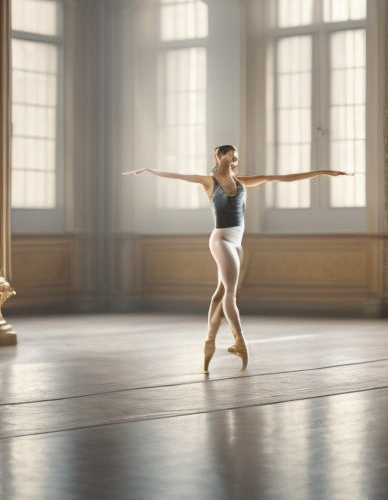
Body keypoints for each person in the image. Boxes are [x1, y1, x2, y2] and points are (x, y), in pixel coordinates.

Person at [122, 144, 349, 374]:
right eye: (230, 152)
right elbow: (177, 176)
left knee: (221, 292)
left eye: (235, 153)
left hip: (237, 243)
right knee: (230, 293)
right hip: (220, 240)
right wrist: (149, 170)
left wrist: (320, 172)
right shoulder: (209, 182)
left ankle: (209, 340)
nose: (234, 155)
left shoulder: (242, 182)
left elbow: (279, 178)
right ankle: (239, 340)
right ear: (219, 156)